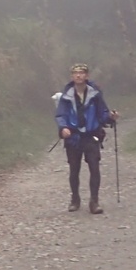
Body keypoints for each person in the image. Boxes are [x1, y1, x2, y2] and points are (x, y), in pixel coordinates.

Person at [55, 63, 117, 214]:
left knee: (94, 168)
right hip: (73, 137)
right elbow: (60, 115)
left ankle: (94, 202)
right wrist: (63, 128)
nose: (78, 75)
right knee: (74, 169)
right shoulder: (66, 96)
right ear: (72, 76)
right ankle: (75, 199)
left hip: (91, 136)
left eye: (81, 73)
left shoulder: (95, 95)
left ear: (87, 76)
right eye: (75, 73)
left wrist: (110, 117)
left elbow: (102, 113)